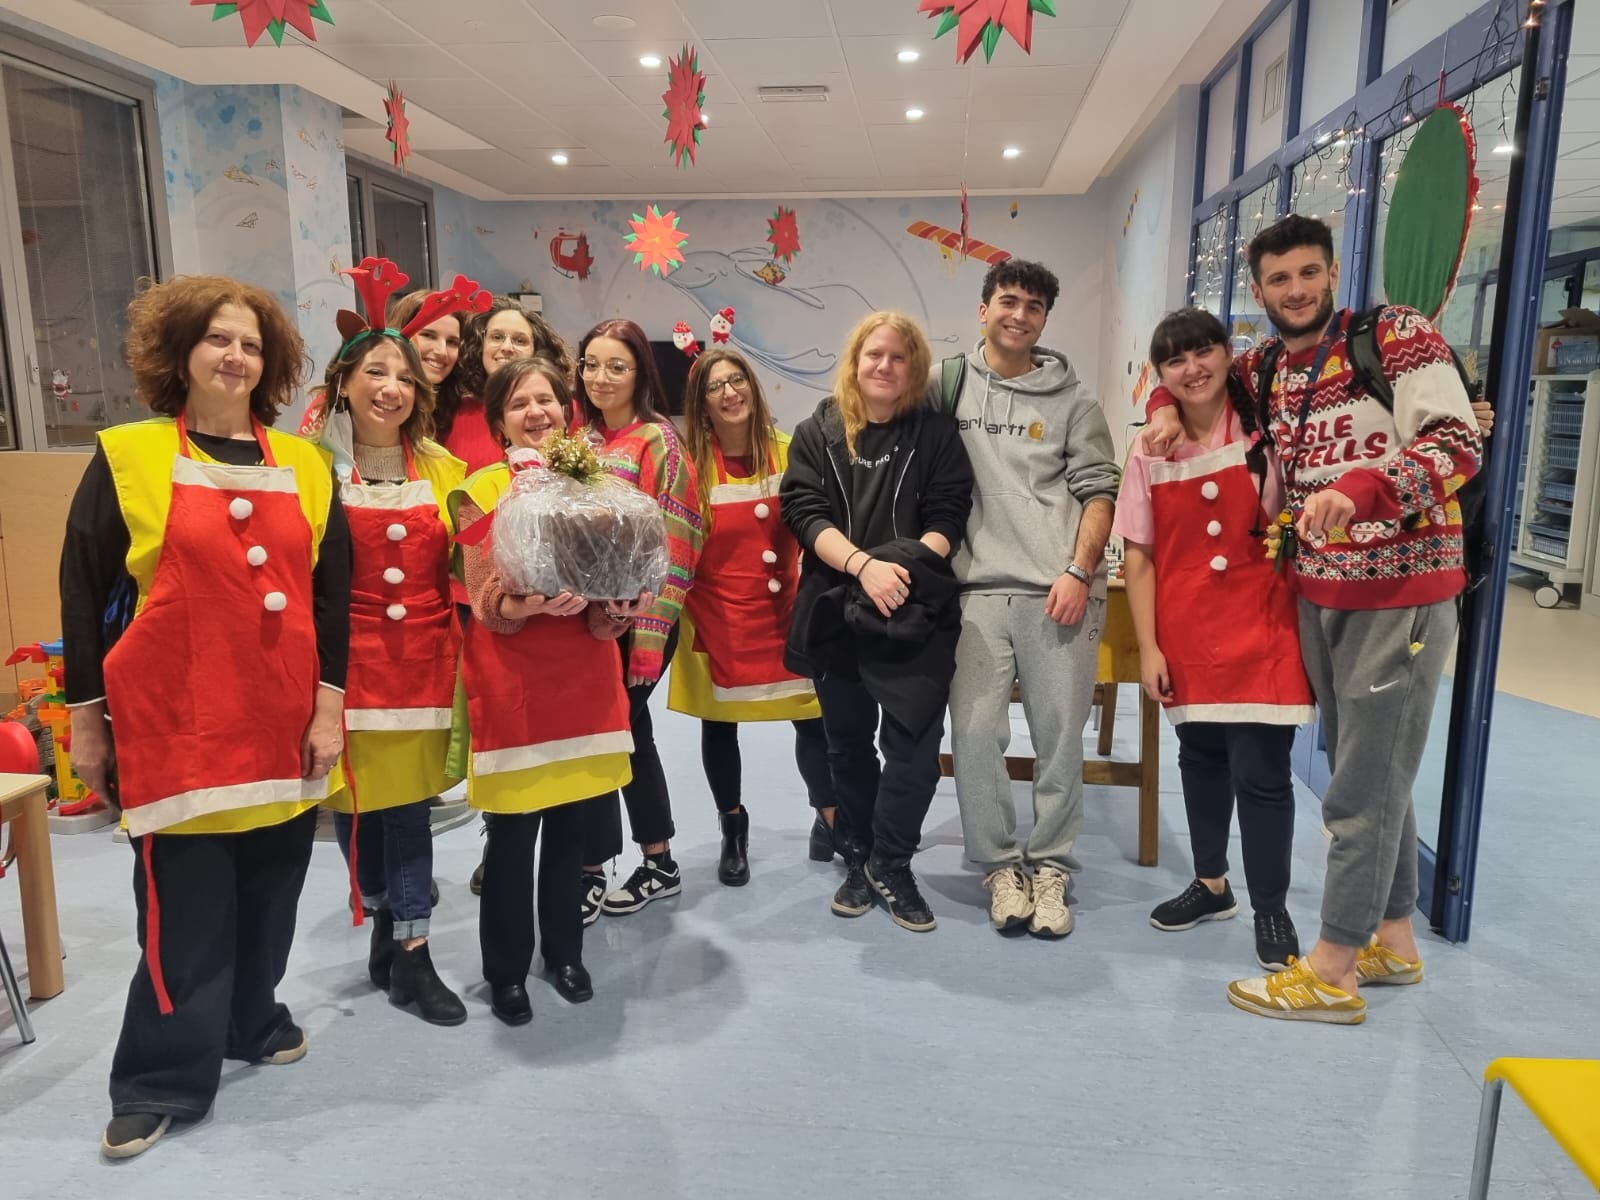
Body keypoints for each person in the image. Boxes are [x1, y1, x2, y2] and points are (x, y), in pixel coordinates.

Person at [1143, 214, 1483, 1024]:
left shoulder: (1395, 336)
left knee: (1360, 789)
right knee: (1375, 772)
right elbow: (1198, 371)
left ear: (1332, 274)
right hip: (1320, 594)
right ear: (1258, 292)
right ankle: (1393, 939)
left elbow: (1455, 444)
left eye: (1308, 274)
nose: (1295, 290)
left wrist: (1361, 491)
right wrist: (1159, 398)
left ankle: (1331, 969)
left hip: (1401, 592)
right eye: (1278, 280)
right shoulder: (1266, 367)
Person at [59, 275, 351, 1159]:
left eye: (253, 345)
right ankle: (159, 1076)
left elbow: (330, 600)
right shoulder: (128, 456)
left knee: (271, 898)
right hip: (177, 722)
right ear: (180, 351)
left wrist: (330, 712)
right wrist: (87, 721)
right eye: (219, 339)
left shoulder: (307, 465)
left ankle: (252, 1018)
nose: (235, 356)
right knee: (182, 912)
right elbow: (82, 592)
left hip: (282, 722)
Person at [302, 263, 481, 1026]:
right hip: (340, 673)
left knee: (406, 811)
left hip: (420, 668)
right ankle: (383, 922)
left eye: (405, 376)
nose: (392, 387)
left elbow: (472, 564)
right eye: (375, 371)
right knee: (357, 810)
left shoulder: (445, 469)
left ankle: (411, 955)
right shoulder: (305, 467)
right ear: (344, 382)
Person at [448, 355, 651, 1022]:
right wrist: (526, 606)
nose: (537, 412)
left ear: (566, 411)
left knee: (570, 833)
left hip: (584, 683)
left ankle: (565, 953)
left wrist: (619, 608)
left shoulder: (594, 485)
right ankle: (505, 971)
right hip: (515, 687)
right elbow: (482, 596)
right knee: (510, 840)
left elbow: (605, 602)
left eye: (547, 400)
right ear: (499, 419)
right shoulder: (477, 490)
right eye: (519, 403)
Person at [1114, 307, 1313, 971]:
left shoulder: (1266, 424)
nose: (1193, 368)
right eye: (1176, 361)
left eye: (1204, 352)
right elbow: (1138, 553)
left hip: (1265, 625)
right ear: (1160, 373)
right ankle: (1210, 884)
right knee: (1199, 760)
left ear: (1229, 354)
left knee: (1262, 774)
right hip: (1187, 628)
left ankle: (1270, 907)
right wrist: (1150, 647)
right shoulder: (1149, 448)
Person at [942, 259, 1119, 940]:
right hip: (977, 594)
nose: (1020, 314)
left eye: (1034, 306)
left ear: (1046, 319)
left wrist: (1079, 569)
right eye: (1008, 301)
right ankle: (996, 865)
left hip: (1059, 592)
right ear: (984, 309)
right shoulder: (948, 386)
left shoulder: (1074, 401)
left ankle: (1050, 867)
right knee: (978, 735)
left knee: (1058, 740)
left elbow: (1099, 491)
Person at [781, 311, 974, 932]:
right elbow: (804, 513)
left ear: (914, 369)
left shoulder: (937, 434)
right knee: (847, 747)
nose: (885, 366)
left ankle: (894, 862)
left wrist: (902, 574)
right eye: (874, 355)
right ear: (855, 362)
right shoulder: (819, 430)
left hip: (915, 610)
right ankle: (860, 857)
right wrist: (865, 568)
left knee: (914, 754)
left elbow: (949, 516)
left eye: (898, 358)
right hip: (839, 610)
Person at [669, 348, 836, 885]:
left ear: (753, 386)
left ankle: (829, 816)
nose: (729, 392)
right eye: (714, 386)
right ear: (700, 403)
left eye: (736, 379)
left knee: (812, 720)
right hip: (717, 621)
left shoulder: (794, 452)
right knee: (721, 727)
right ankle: (733, 828)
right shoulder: (689, 467)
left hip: (789, 614)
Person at [572, 319, 703, 921]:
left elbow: (678, 538)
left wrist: (647, 628)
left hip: (640, 620)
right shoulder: (580, 438)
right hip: (581, 623)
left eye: (616, 366)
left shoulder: (657, 442)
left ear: (639, 376)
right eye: (591, 364)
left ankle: (645, 862)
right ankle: (611, 864)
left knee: (625, 732)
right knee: (602, 736)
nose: (601, 377)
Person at [447, 297, 571, 474]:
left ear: (537, 351)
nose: (506, 347)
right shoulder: (453, 413)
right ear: (480, 347)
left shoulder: (560, 412)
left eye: (520, 340)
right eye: (496, 337)